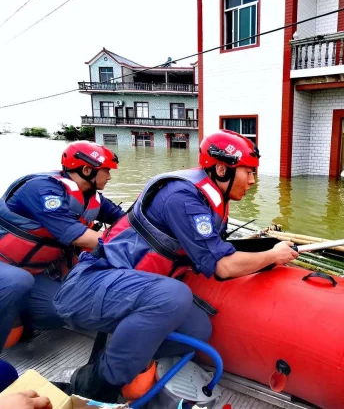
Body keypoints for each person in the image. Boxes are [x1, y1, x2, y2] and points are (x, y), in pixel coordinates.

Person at [53, 130, 299, 402]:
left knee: (197, 329)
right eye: (248, 172)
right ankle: (97, 383)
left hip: (131, 287)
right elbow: (223, 267)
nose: (252, 181)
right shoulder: (183, 197)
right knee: (175, 295)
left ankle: (128, 356)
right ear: (221, 169)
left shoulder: (209, 197)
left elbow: (211, 251)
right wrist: (274, 255)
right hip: (93, 283)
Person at [0, 141, 124, 353]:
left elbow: (124, 220)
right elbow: (79, 236)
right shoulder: (41, 190)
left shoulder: (92, 198)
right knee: (17, 281)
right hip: (6, 266)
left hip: (35, 270)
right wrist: (124, 244)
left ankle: (21, 316)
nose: (110, 177)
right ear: (87, 170)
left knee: (62, 311)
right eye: (106, 172)